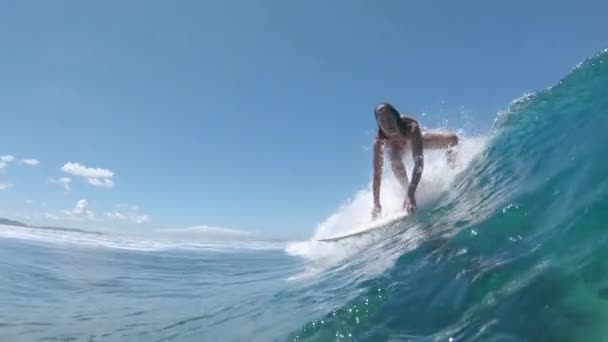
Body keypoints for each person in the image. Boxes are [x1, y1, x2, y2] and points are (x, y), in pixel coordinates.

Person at [372, 102, 459, 219]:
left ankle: (451, 169)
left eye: (389, 118)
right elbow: (377, 175)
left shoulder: (410, 127)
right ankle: (406, 190)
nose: (387, 124)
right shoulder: (380, 142)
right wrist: (376, 204)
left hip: (414, 140)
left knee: (452, 139)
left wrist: (411, 194)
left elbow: (418, 162)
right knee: (394, 157)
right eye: (382, 122)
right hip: (397, 149)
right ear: (379, 125)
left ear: (396, 117)